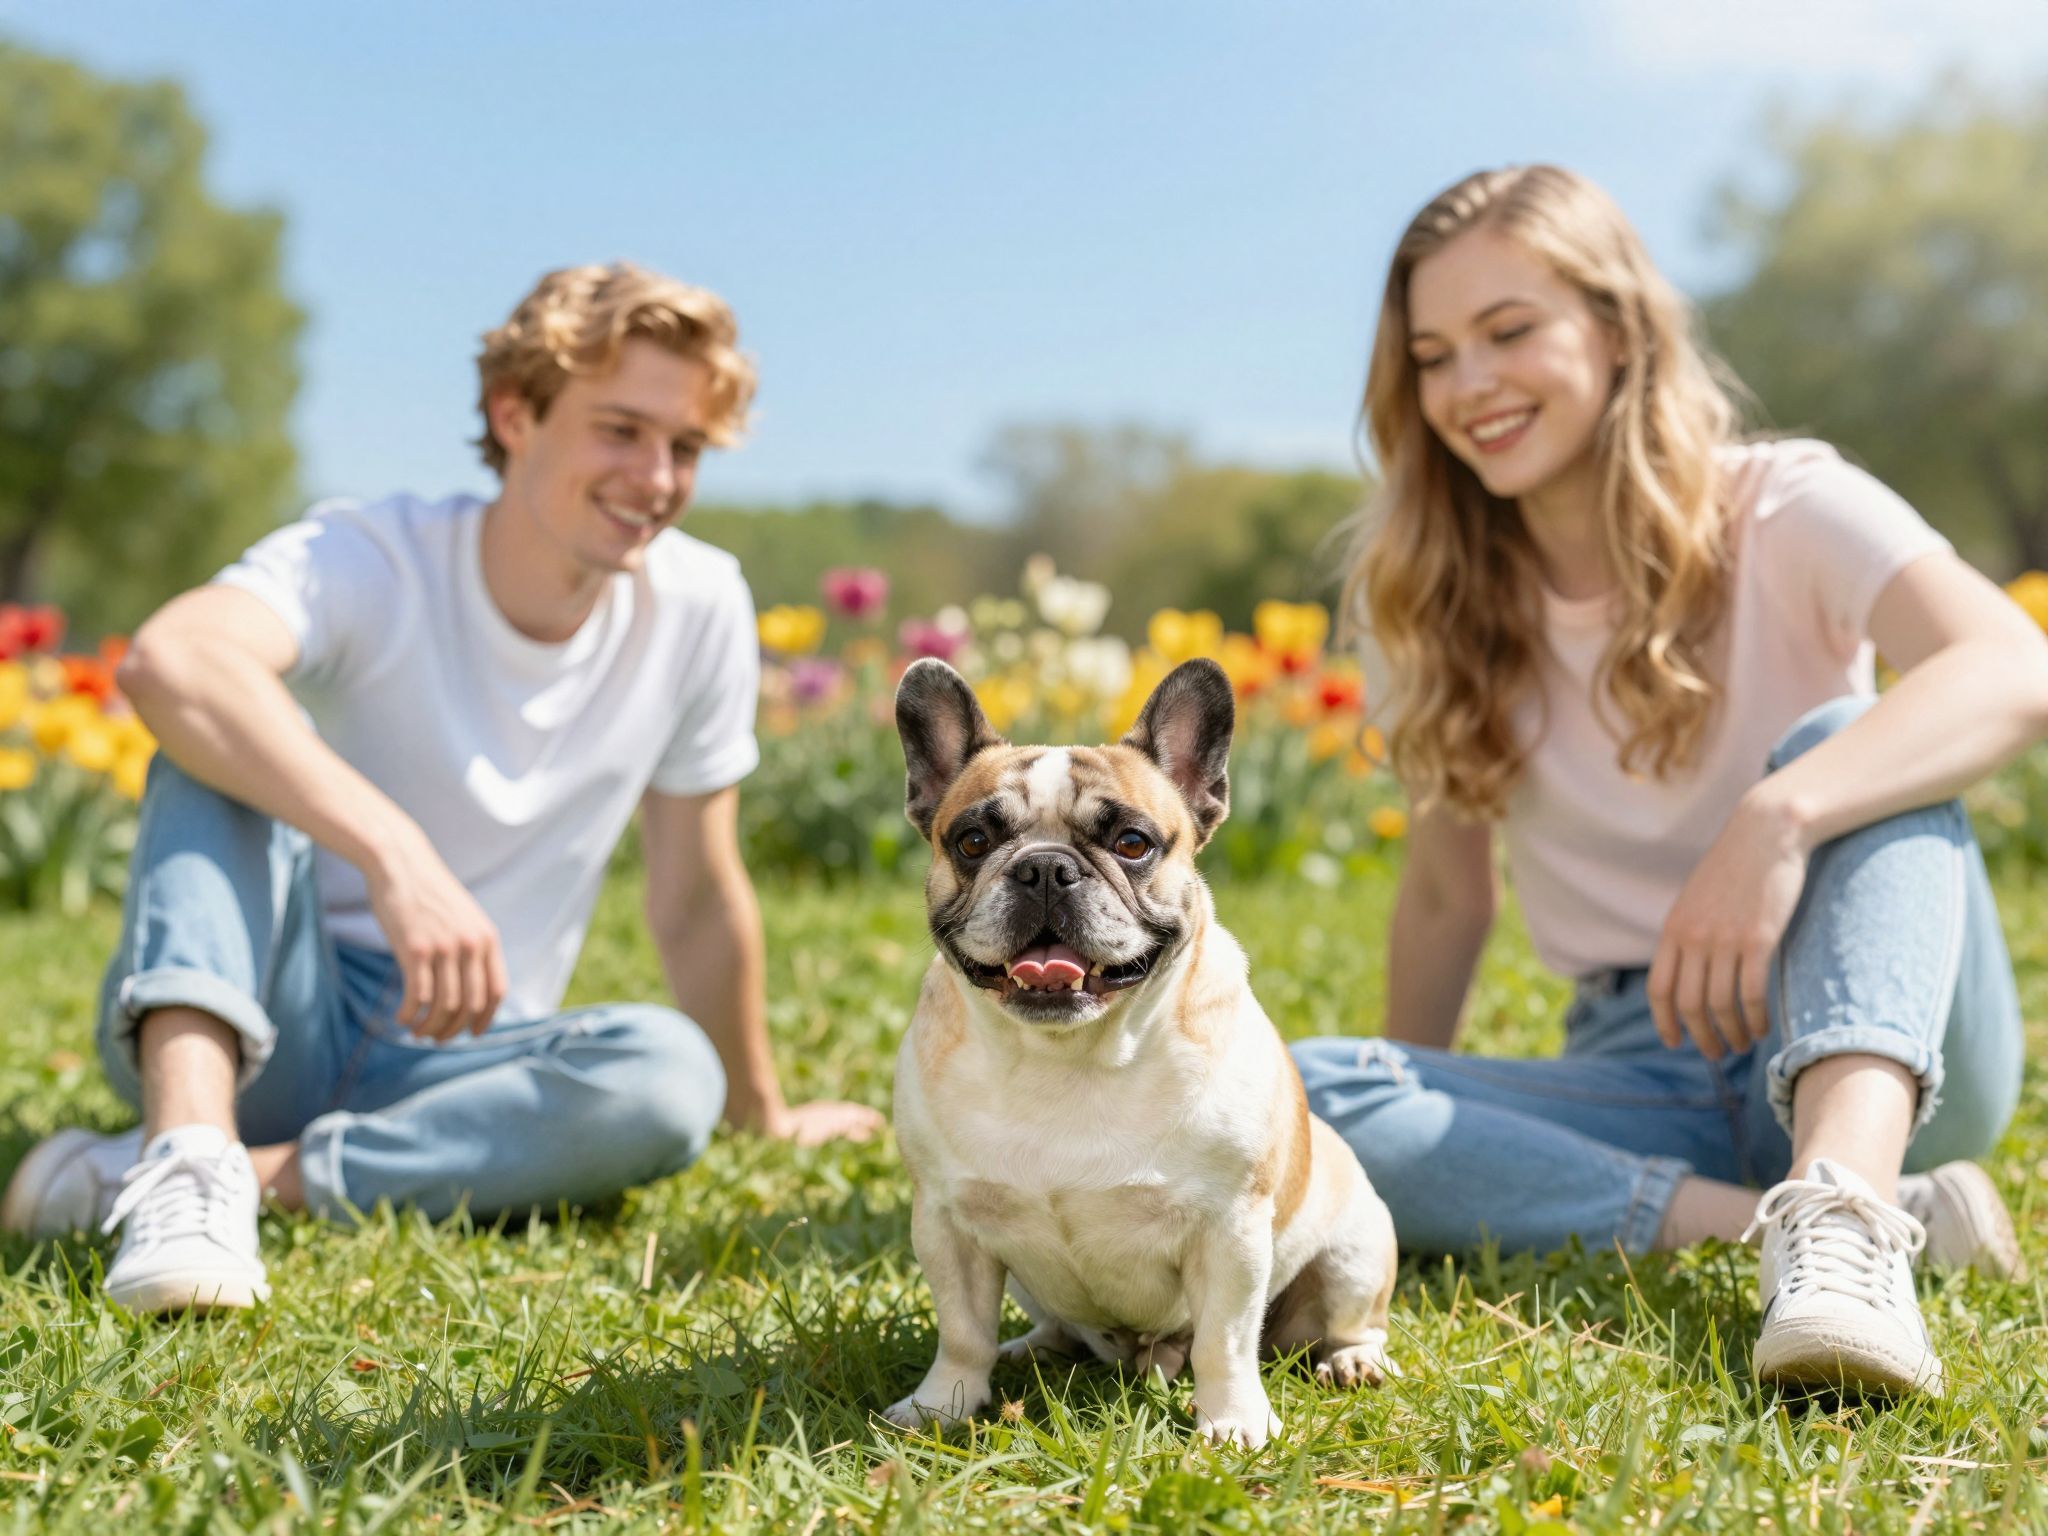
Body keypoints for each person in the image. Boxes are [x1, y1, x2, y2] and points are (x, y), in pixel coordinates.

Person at [1290, 166, 2045, 1398]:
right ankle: (1789, 1220)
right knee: (1303, 1097)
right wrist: (1387, 1150)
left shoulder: (1786, 505)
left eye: (1508, 331)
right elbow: (1443, 900)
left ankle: (1848, 1206)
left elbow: (2012, 665)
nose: (1469, 384)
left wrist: (1776, 819)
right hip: (1644, 1068)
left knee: (1847, 739)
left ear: (1617, 327)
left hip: (1876, 1028)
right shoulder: (1422, 599)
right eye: (1431, 356)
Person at [0, 262, 882, 1314]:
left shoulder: (698, 606)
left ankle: (219, 1177)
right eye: (619, 431)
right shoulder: (373, 556)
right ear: (515, 414)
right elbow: (171, 659)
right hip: (267, 1014)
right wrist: (394, 854)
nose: (655, 476)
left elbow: (694, 890)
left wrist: (758, 1111)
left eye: (683, 446)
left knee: (663, 1076)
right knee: (214, 739)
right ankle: (187, 1155)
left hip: (468, 1058)